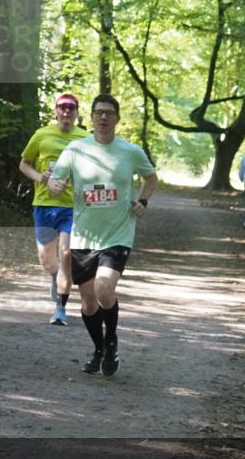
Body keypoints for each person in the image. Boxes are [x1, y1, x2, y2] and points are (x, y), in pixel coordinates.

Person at [49, 93, 157, 377]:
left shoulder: (130, 151)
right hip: (84, 235)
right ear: (92, 117)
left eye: (109, 113)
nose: (104, 118)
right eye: (99, 113)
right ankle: (100, 348)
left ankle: (112, 342)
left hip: (118, 232)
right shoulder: (75, 150)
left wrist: (142, 201)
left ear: (117, 119)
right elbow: (54, 182)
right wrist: (55, 187)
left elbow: (151, 177)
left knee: (103, 288)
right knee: (87, 301)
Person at [19, 93, 88, 325]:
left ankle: (60, 308)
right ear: (56, 111)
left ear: (77, 112)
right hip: (44, 204)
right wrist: (42, 178)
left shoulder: (85, 139)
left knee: (66, 253)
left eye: (71, 108)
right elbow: (24, 164)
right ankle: (55, 276)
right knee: (47, 260)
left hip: (72, 206)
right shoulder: (41, 135)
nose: (67, 112)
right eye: (62, 107)